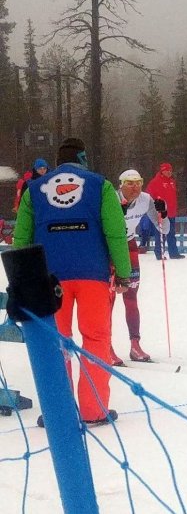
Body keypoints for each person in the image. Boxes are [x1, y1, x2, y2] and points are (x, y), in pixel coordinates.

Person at [12, 138, 131, 425]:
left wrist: (20, 278)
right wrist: (124, 272)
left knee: (56, 341)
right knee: (96, 339)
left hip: (49, 278)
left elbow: (22, 237)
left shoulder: (34, 189)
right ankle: (94, 409)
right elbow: (116, 232)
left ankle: (58, 411)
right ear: (82, 156)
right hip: (93, 275)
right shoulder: (100, 185)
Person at [109, 169, 171, 365]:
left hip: (129, 245)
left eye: (138, 182)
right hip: (109, 247)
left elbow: (164, 228)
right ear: (121, 184)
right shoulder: (111, 198)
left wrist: (163, 212)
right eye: (129, 183)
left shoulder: (145, 199)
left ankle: (135, 345)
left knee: (131, 296)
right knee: (107, 300)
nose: (135, 187)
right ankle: (104, 345)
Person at [145, 162, 184, 260]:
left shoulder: (172, 182)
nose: (169, 172)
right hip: (161, 212)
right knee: (160, 233)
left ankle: (174, 253)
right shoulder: (155, 182)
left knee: (171, 233)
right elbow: (148, 196)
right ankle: (159, 253)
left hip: (171, 211)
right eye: (167, 170)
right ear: (162, 171)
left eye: (170, 170)